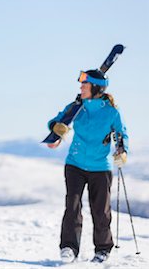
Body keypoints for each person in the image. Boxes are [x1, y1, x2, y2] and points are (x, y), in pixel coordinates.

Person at [47, 69, 128, 263]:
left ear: (96, 88)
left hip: (100, 167)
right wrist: (56, 130)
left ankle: (103, 249)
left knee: (100, 210)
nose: (81, 88)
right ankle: (69, 247)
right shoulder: (77, 107)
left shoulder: (111, 112)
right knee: (72, 206)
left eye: (85, 85)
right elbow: (56, 121)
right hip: (75, 164)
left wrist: (122, 151)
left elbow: (122, 134)